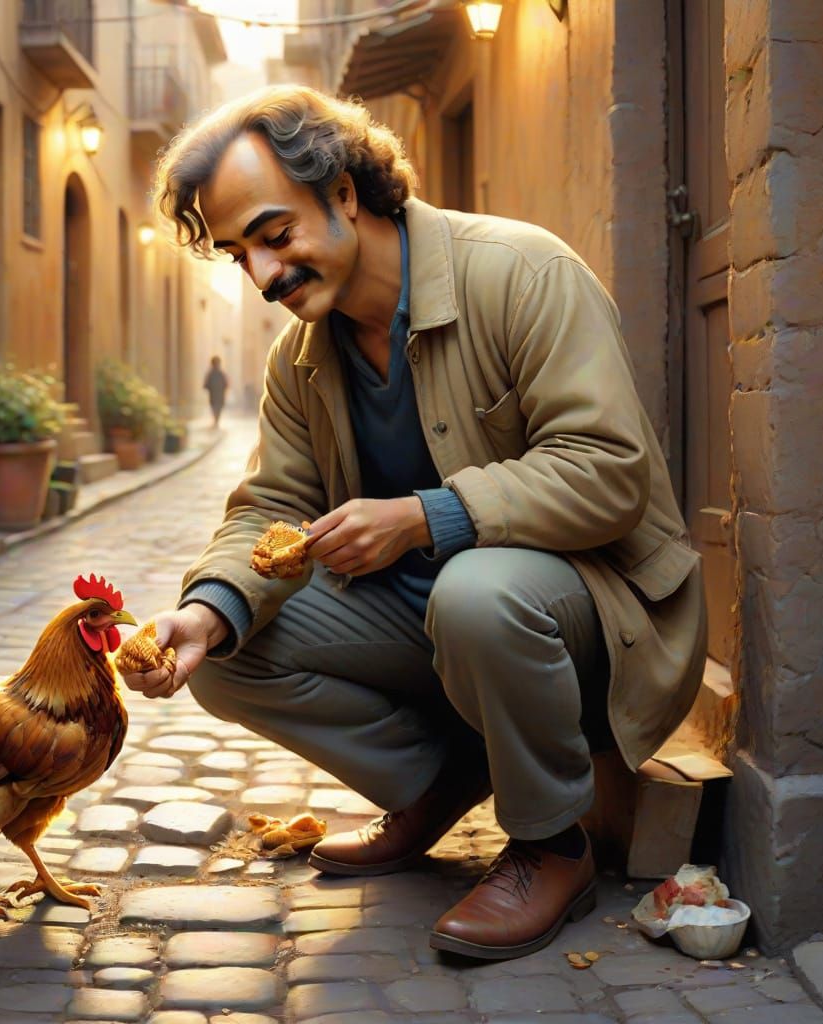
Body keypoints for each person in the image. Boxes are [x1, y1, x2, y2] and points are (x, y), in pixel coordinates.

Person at [122, 85, 706, 961]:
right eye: (240, 254)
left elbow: (609, 471)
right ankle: (446, 778)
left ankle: (554, 845)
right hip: (442, 626)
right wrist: (205, 613)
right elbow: (272, 510)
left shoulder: (520, 271)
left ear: (346, 192)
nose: (264, 275)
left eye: (277, 235)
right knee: (229, 654)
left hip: (598, 613)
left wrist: (426, 517)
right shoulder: (301, 361)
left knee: (477, 590)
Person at [203, 355, 229, 428]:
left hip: (215, 396)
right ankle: (216, 421)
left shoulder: (213, 374)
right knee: (216, 408)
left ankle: (216, 421)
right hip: (217, 396)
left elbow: (205, 385)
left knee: (216, 408)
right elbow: (226, 384)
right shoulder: (219, 373)